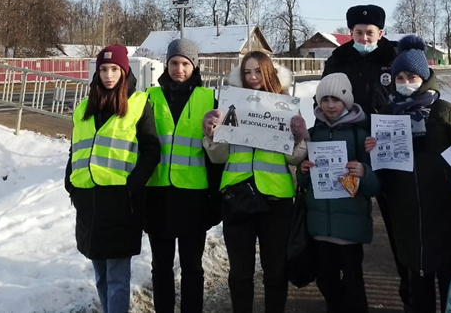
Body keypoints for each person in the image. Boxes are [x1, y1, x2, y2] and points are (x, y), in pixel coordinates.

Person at [365, 35, 451, 313]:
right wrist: (374, 151)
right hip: (407, 216)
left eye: (411, 75)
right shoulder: (387, 114)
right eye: (399, 76)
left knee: (449, 287)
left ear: (423, 77)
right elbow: (382, 175)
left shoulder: (444, 113)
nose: (404, 82)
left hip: (446, 215)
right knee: (417, 287)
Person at [202, 51, 308, 313]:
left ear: (269, 72)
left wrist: (297, 138)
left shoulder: (283, 105)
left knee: (275, 271)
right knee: (240, 272)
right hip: (237, 196)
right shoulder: (230, 104)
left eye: (258, 71)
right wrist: (211, 135)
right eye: (247, 72)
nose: (252, 77)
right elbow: (219, 157)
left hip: (276, 199)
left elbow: (294, 159)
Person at [321, 4, 409, 308]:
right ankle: (343, 296)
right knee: (342, 225)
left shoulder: (395, 57)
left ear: (380, 33)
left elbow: (412, 89)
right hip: (348, 150)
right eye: (358, 32)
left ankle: (408, 288)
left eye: (370, 32)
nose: (364, 37)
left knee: (397, 224)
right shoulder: (338, 58)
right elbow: (325, 97)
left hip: (387, 151)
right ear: (351, 33)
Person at [65, 45, 160, 313]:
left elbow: (152, 151)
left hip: (120, 203)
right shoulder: (84, 108)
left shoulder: (138, 103)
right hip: (89, 204)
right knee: (100, 276)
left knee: (117, 277)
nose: (108, 75)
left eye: (114, 69)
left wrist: (133, 187)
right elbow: (74, 150)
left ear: (124, 71)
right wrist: (70, 184)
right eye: (103, 69)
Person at [144, 39, 222, 313]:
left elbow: (216, 154)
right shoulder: (149, 98)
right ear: (166, 64)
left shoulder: (209, 99)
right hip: (158, 195)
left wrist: (215, 197)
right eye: (174, 62)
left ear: (195, 66)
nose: (179, 68)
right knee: (161, 266)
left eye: (185, 63)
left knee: (192, 267)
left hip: (194, 197)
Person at [298, 73, 380, 313]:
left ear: (347, 100)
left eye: (335, 99)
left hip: (350, 228)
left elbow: (375, 186)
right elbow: (304, 181)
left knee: (354, 283)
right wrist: (303, 171)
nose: (330, 105)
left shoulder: (361, 134)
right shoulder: (313, 133)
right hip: (320, 226)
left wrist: (364, 172)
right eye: (324, 100)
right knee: (326, 280)